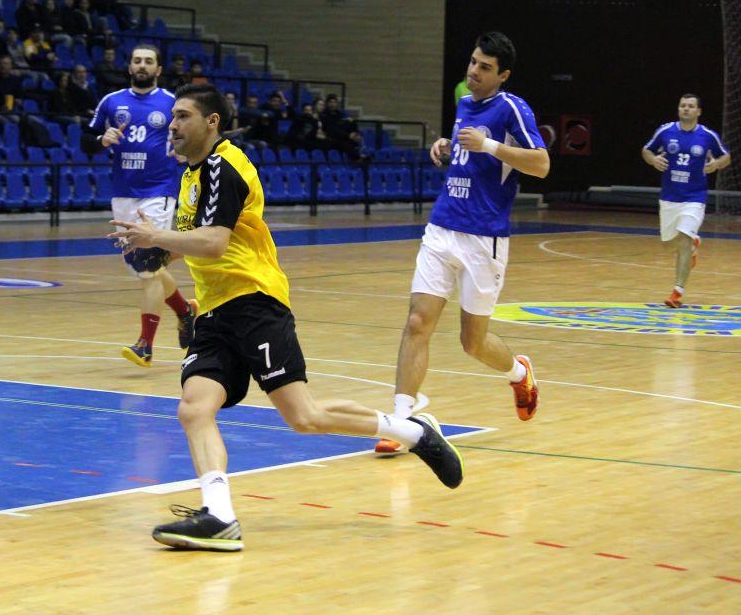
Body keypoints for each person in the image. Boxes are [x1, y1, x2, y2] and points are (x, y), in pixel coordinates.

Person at [106, 84, 463, 551]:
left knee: (304, 417)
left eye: (183, 116)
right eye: (172, 116)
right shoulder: (192, 174)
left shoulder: (225, 166)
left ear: (212, 122)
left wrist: (158, 238)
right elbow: (202, 241)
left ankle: (413, 432)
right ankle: (220, 516)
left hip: (255, 303)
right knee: (194, 408)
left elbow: (214, 242)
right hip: (214, 310)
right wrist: (156, 250)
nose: (171, 125)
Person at [374, 31, 548, 454]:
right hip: (443, 226)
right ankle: (401, 421)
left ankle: (518, 372)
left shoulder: (513, 108)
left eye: (485, 67)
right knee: (418, 321)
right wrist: (448, 148)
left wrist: (488, 145)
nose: (474, 71)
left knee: (472, 343)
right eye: (473, 62)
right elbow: (469, 157)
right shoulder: (465, 103)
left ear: (503, 75)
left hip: (484, 238)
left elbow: (541, 164)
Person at [85, 44, 197, 366]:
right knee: (148, 267)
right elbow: (86, 141)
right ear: (129, 67)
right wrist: (101, 140)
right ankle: (185, 311)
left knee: (148, 268)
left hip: (158, 192)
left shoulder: (172, 103)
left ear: (158, 69)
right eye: (137, 60)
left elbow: (194, 135)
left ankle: (145, 346)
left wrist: (185, 151)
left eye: (149, 61)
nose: (142, 65)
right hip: (123, 193)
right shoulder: (111, 101)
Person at [641, 94, 730, 308]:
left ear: (698, 111)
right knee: (668, 245)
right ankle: (692, 243)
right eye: (683, 106)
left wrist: (716, 164)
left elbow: (726, 156)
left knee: (684, 240)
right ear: (678, 109)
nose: (686, 109)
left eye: (690, 106)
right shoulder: (665, 131)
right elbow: (646, 150)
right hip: (669, 197)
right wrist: (653, 159)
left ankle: (677, 292)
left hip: (694, 197)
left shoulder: (707, 135)